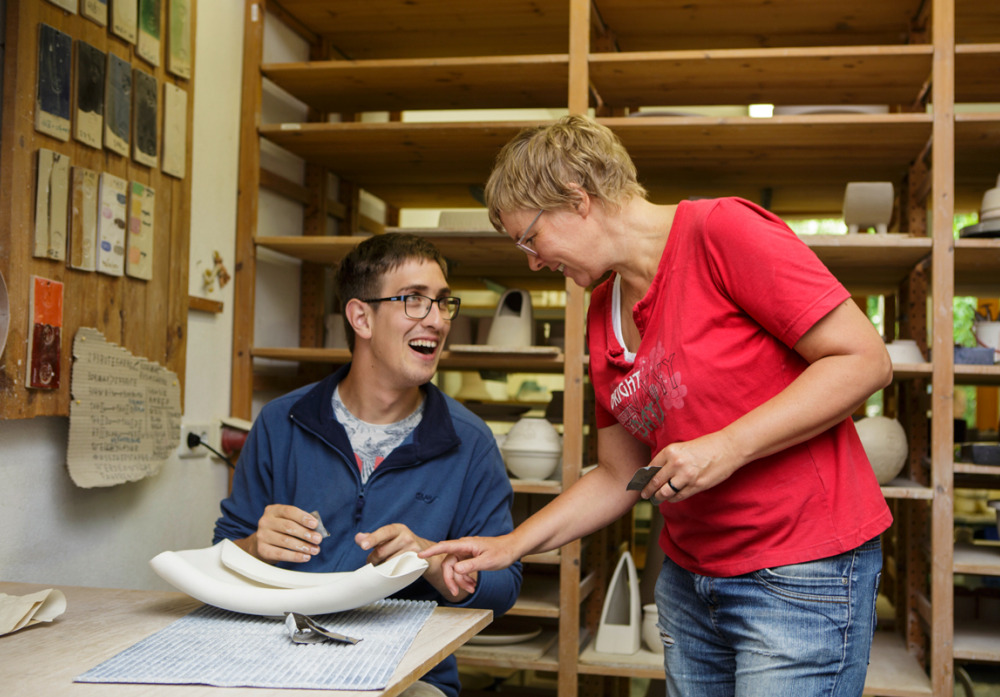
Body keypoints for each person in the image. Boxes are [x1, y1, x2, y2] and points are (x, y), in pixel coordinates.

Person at [421, 115, 894, 697]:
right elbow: (618, 474)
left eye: (530, 239)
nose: (533, 263)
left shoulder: (720, 231)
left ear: (577, 199)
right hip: (691, 580)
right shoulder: (602, 309)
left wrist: (727, 446)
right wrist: (508, 546)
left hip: (798, 571)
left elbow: (863, 359)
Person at [214, 233, 522, 697]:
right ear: (361, 317)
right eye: (415, 301)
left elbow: (503, 588)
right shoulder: (282, 421)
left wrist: (433, 563)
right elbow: (221, 555)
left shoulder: (470, 442)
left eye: (442, 302)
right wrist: (257, 544)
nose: (437, 320)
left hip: (409, 674)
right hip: (279, 660)